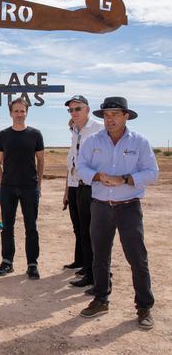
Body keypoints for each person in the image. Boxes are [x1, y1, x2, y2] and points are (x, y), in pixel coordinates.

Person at [77, 97, 158, 331]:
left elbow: (152, 172)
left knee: (137, 258)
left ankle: (144, 307)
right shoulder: (92, 141)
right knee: (99, 256)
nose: (109, 118)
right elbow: (81, 169)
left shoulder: (140, 142)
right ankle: (101, 299)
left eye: (115, 114)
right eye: (106, 114)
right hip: (100, 206)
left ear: (126, 116)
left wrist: (126, 179)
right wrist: (98, 176)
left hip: (129, 206)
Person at [0, 97, 45, 280]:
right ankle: (7, 261)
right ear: (10, 113)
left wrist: (38, 184)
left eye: (22, 111)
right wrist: (1, 183)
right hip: (8, 187)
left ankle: (32, 264)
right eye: (16, 111)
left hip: (29, 187)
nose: (19, 114)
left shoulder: (35, 134)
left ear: (26, 113)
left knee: (31, 227)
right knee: (7, 227)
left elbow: (41, 160)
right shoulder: (3, 135)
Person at [62, 95, 103, 288]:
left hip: (91, 186)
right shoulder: (76, 131)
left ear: (87, 109)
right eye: (71, 110)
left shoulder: (98, 129)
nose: (74, 113)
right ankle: (85, 265)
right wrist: (66, 189)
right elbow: (72, 160)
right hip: (75, 184)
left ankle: (95, 271)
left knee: (91, 231)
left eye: (77, 109)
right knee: (79, 228)